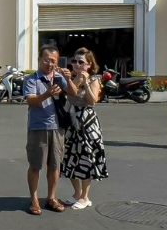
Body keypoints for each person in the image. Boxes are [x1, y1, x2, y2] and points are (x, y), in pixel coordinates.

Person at [22, 45, 68, 215]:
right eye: (46, 60)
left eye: (53, 61)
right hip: (38, 127)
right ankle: (34, 199)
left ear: (57, 62)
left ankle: (51, 197)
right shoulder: (31, 79)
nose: (49, 63)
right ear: (40, 60)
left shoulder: (59, 77)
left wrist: (68, 78)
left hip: (58, 128)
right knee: (35, 165)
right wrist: (47, 94)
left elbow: (73, 92)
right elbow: (31, 101)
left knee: (55, 166)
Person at [61, 48, 109, 209]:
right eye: (74, 61)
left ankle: (85, 197)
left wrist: (87, 83)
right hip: (71, 121)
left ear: (89, 65)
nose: (76, 64)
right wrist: (75, 80)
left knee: (86, 158)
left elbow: (92, 101)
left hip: (87, 121)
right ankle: (76, 193)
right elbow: (69, 94)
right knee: (69, 157)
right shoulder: (71, 78)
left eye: (81, 62)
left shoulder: (95, 79)